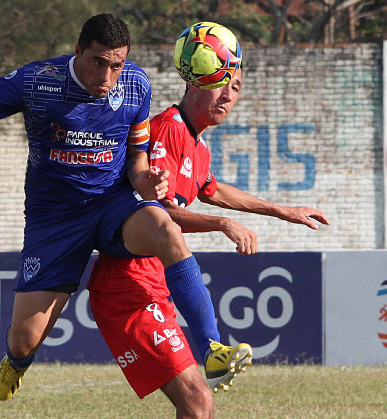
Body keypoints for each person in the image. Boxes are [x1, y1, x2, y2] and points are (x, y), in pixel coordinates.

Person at [0, 14, 232, 404]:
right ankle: (15, 362)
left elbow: (137, 164)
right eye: (98, 62)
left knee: (166, 230)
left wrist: (149, 183)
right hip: (55, 221)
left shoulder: (136, 84)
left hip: (112, 205)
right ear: (78, 52)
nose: (107, 76)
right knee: (25, 340)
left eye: (116, 65)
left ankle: (212, 348)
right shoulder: (38, 81)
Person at [87, 65, 330, 417]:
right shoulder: (169, 128)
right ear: (194, 83)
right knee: (198, 401)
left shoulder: (197, 145)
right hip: (126, 287)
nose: (229, 94)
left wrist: (282, 210)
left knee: (199, 402)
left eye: (236, 87)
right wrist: (223, 224)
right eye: (221, 84)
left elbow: (213, 190)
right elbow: (162, 213)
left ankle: (213, 350)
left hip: (151, 282)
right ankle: (212, 349)